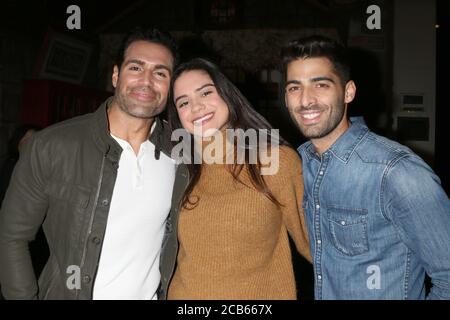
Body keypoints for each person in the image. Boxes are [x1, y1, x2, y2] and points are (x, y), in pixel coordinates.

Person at [0, 27, 182, 300]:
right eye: (136, 68)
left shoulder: (182, 152)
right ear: (115, 75)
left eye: (160, 73)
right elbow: (12, 236)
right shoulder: (52, 146)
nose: (147, 81)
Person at [281, 35, 450, 300]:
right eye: (294, 88)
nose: (305, 100)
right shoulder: (300, 164)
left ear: (348, 91)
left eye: (321, 85)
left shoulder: (395, 171)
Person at [165, 58, 311, 300]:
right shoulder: (178, 168)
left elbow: (316, 247)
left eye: (205, 92)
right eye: (184, 102)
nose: (197, 107)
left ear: (226, 93)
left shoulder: (276, 162)